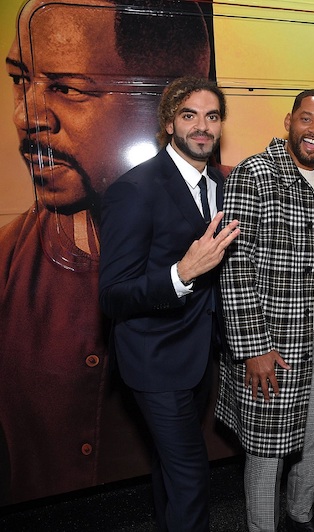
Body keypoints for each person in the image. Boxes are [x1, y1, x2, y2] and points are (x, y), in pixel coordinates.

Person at [0, 0, 214, 504]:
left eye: (68, 88)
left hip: (193, 370)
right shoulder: (10, 263)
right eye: (18, 79)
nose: (25, 115)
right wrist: (182, 273)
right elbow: (118, 295)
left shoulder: (221, 195)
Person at [99, 77, 237, 531]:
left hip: (197, 357)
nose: (202, 127)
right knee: (192, 479)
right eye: (189, 115)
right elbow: (113, 294)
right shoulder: (136, 189)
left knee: (169, 469)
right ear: (168, 122)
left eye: (212, 117)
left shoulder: (215, 182)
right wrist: (181, 273)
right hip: (153, 361)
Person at [216, 90, 314, 532]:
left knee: (313, 439)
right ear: (289, 121)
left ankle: (300, 516)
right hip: (272, 340)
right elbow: (233, 267)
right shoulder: (254, 175)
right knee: (267, 448)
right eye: (307, 119)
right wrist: (254, 347)